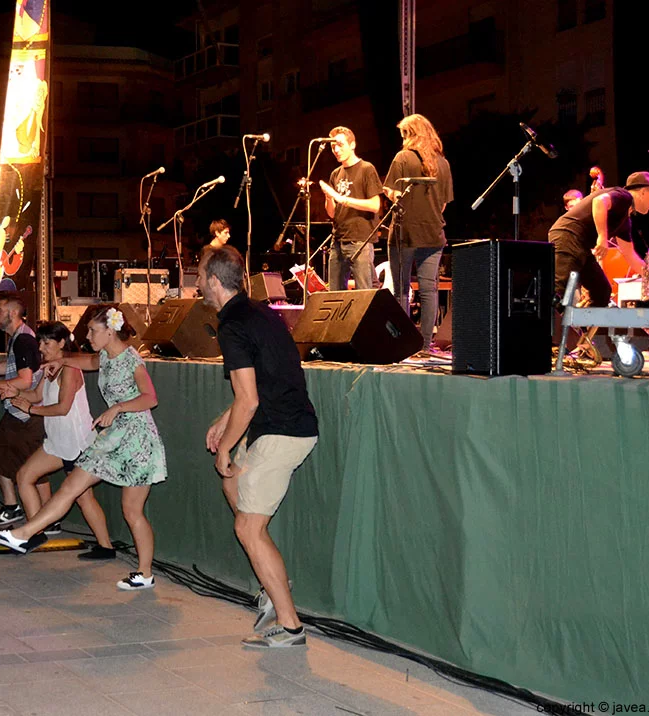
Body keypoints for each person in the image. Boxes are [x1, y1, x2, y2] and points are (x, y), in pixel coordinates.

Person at [0, 305, 166, 590]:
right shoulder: (104, 356)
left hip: (138, 441)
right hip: (112, 437)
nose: (88, 335)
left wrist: (117, 408)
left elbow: (150, 398)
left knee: (132, 511)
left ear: (109, 331)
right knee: (71, 488)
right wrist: (61, 361)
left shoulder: (131, 360)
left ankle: (145, 573)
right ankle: (24, 534)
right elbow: (87, 361)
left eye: (93, 330)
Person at [198, 245, 318, 648]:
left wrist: (224, 446)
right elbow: (260, 384)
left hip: (283, 431)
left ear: (214, 282)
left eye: (199, 276)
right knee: (232, 486)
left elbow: (248, 399)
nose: (197, 283)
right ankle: (272, 587)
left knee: (248, 527)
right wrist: (222, 422)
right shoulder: (258, 312)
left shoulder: (232, 325)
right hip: (279, 425)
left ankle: (289, 627)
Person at [0, 320, 116, 560]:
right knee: (24, 476)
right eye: (40, 341)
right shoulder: (48, 367)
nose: (41, 347)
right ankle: (33, 533)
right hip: (57, 441)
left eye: (47, 342)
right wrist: (16, 392)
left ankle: (106, 547)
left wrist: (31, 409)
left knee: (84, 499)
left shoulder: (71, 369)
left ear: (62, 343)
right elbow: (37, 395)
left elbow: (62, 408)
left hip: (77, 442)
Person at [383, 114, 454, 356]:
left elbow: (393, 193)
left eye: (404, 134)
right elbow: (444, 203)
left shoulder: (403, 158)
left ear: (410, 134)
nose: (402, 140)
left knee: (401, 290)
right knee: (429, 289)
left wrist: (393, 195)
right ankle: (425, 345)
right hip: (433, 233)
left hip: (405, 233)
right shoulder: (443, 163)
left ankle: (403, 342)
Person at [0, 294, 44, 529]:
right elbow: (12, 367)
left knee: (7, 458)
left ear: (12, 313)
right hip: (23, 411)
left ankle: (15, 508)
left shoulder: (24, 339)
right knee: (28, 463)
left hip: (24, 411)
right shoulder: (20, 338)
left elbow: (24, 380)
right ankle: (39, 514)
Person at [549, 171, 649, 308]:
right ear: (643, 192)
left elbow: (630, 255)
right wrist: (602, 237)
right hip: (568, 235)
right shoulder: (624, 196)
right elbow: (599, 201)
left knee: (602, 291)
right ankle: (546, 327)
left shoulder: (624, 222)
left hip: (581, 245)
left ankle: (588, 328)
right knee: (560, 291)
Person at [318, 126, 383, 291]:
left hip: (359, 240)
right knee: (335, 293)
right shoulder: (335, 174)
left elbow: (375, 205)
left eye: (340, 145)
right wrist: (329, 198)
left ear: (352, 144)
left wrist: (343, 199)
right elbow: (332, 213)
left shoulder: (367, 169)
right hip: (338, 240)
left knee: (364, 292)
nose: (336, 150)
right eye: (333, 147)